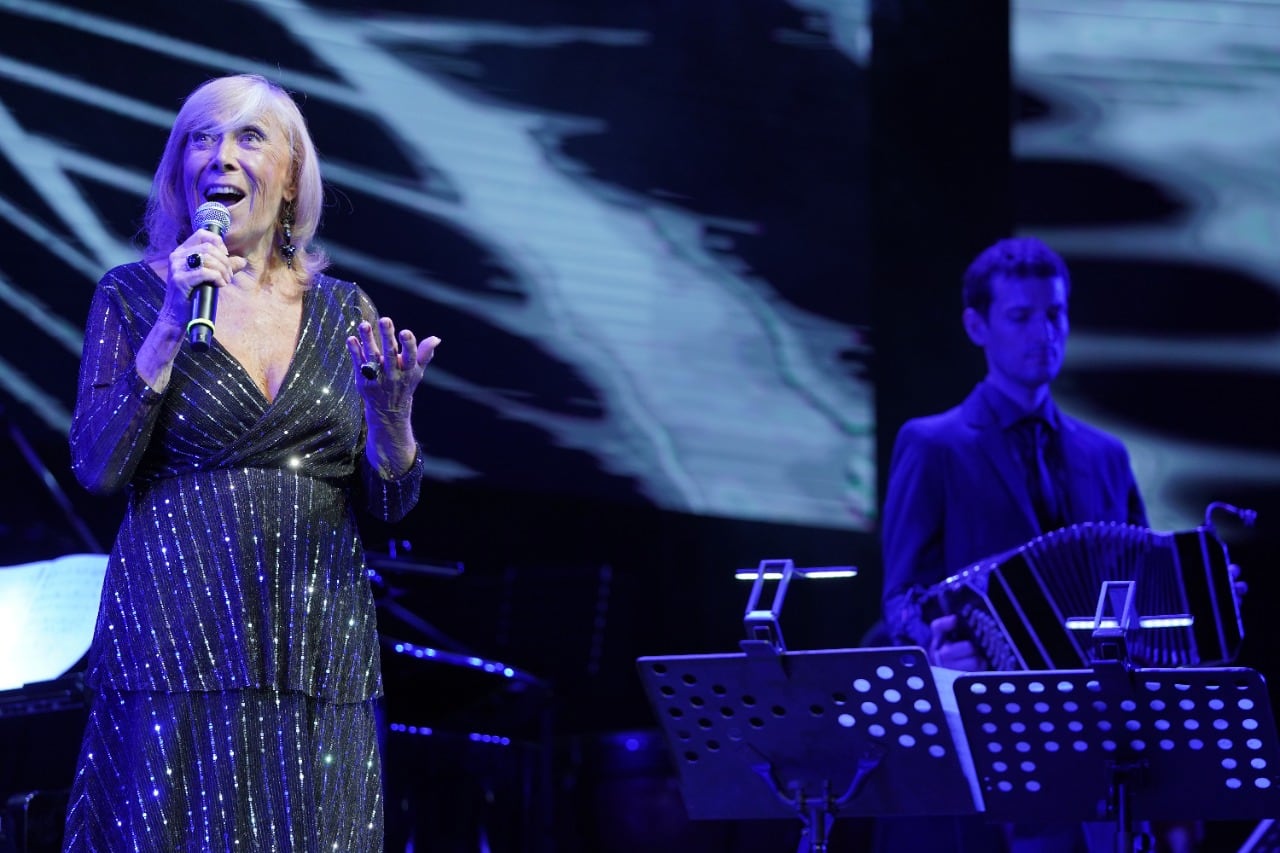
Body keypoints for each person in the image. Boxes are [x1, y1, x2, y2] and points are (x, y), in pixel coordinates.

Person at [62, 74, 439, 852]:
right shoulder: (134, 297)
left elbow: (389, 501)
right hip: (173, 638)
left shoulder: (346, 311)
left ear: (293, 175)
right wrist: (172, 320)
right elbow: (98, 465)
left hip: (314, 648)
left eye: (247, 138)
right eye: (201, 139)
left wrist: (394, 423)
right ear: (179, 171)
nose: (220, 156)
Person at [875, 236, 1147, 853]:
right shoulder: (933, 444)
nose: (1044, 332)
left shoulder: (1106, 455)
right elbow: (899, 596)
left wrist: (1199, 596)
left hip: (1095, 738)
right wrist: (935, 652)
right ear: (977, 326)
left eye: (1055, 313)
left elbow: (1136, 584)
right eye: (1021, 317)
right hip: (986, 735)